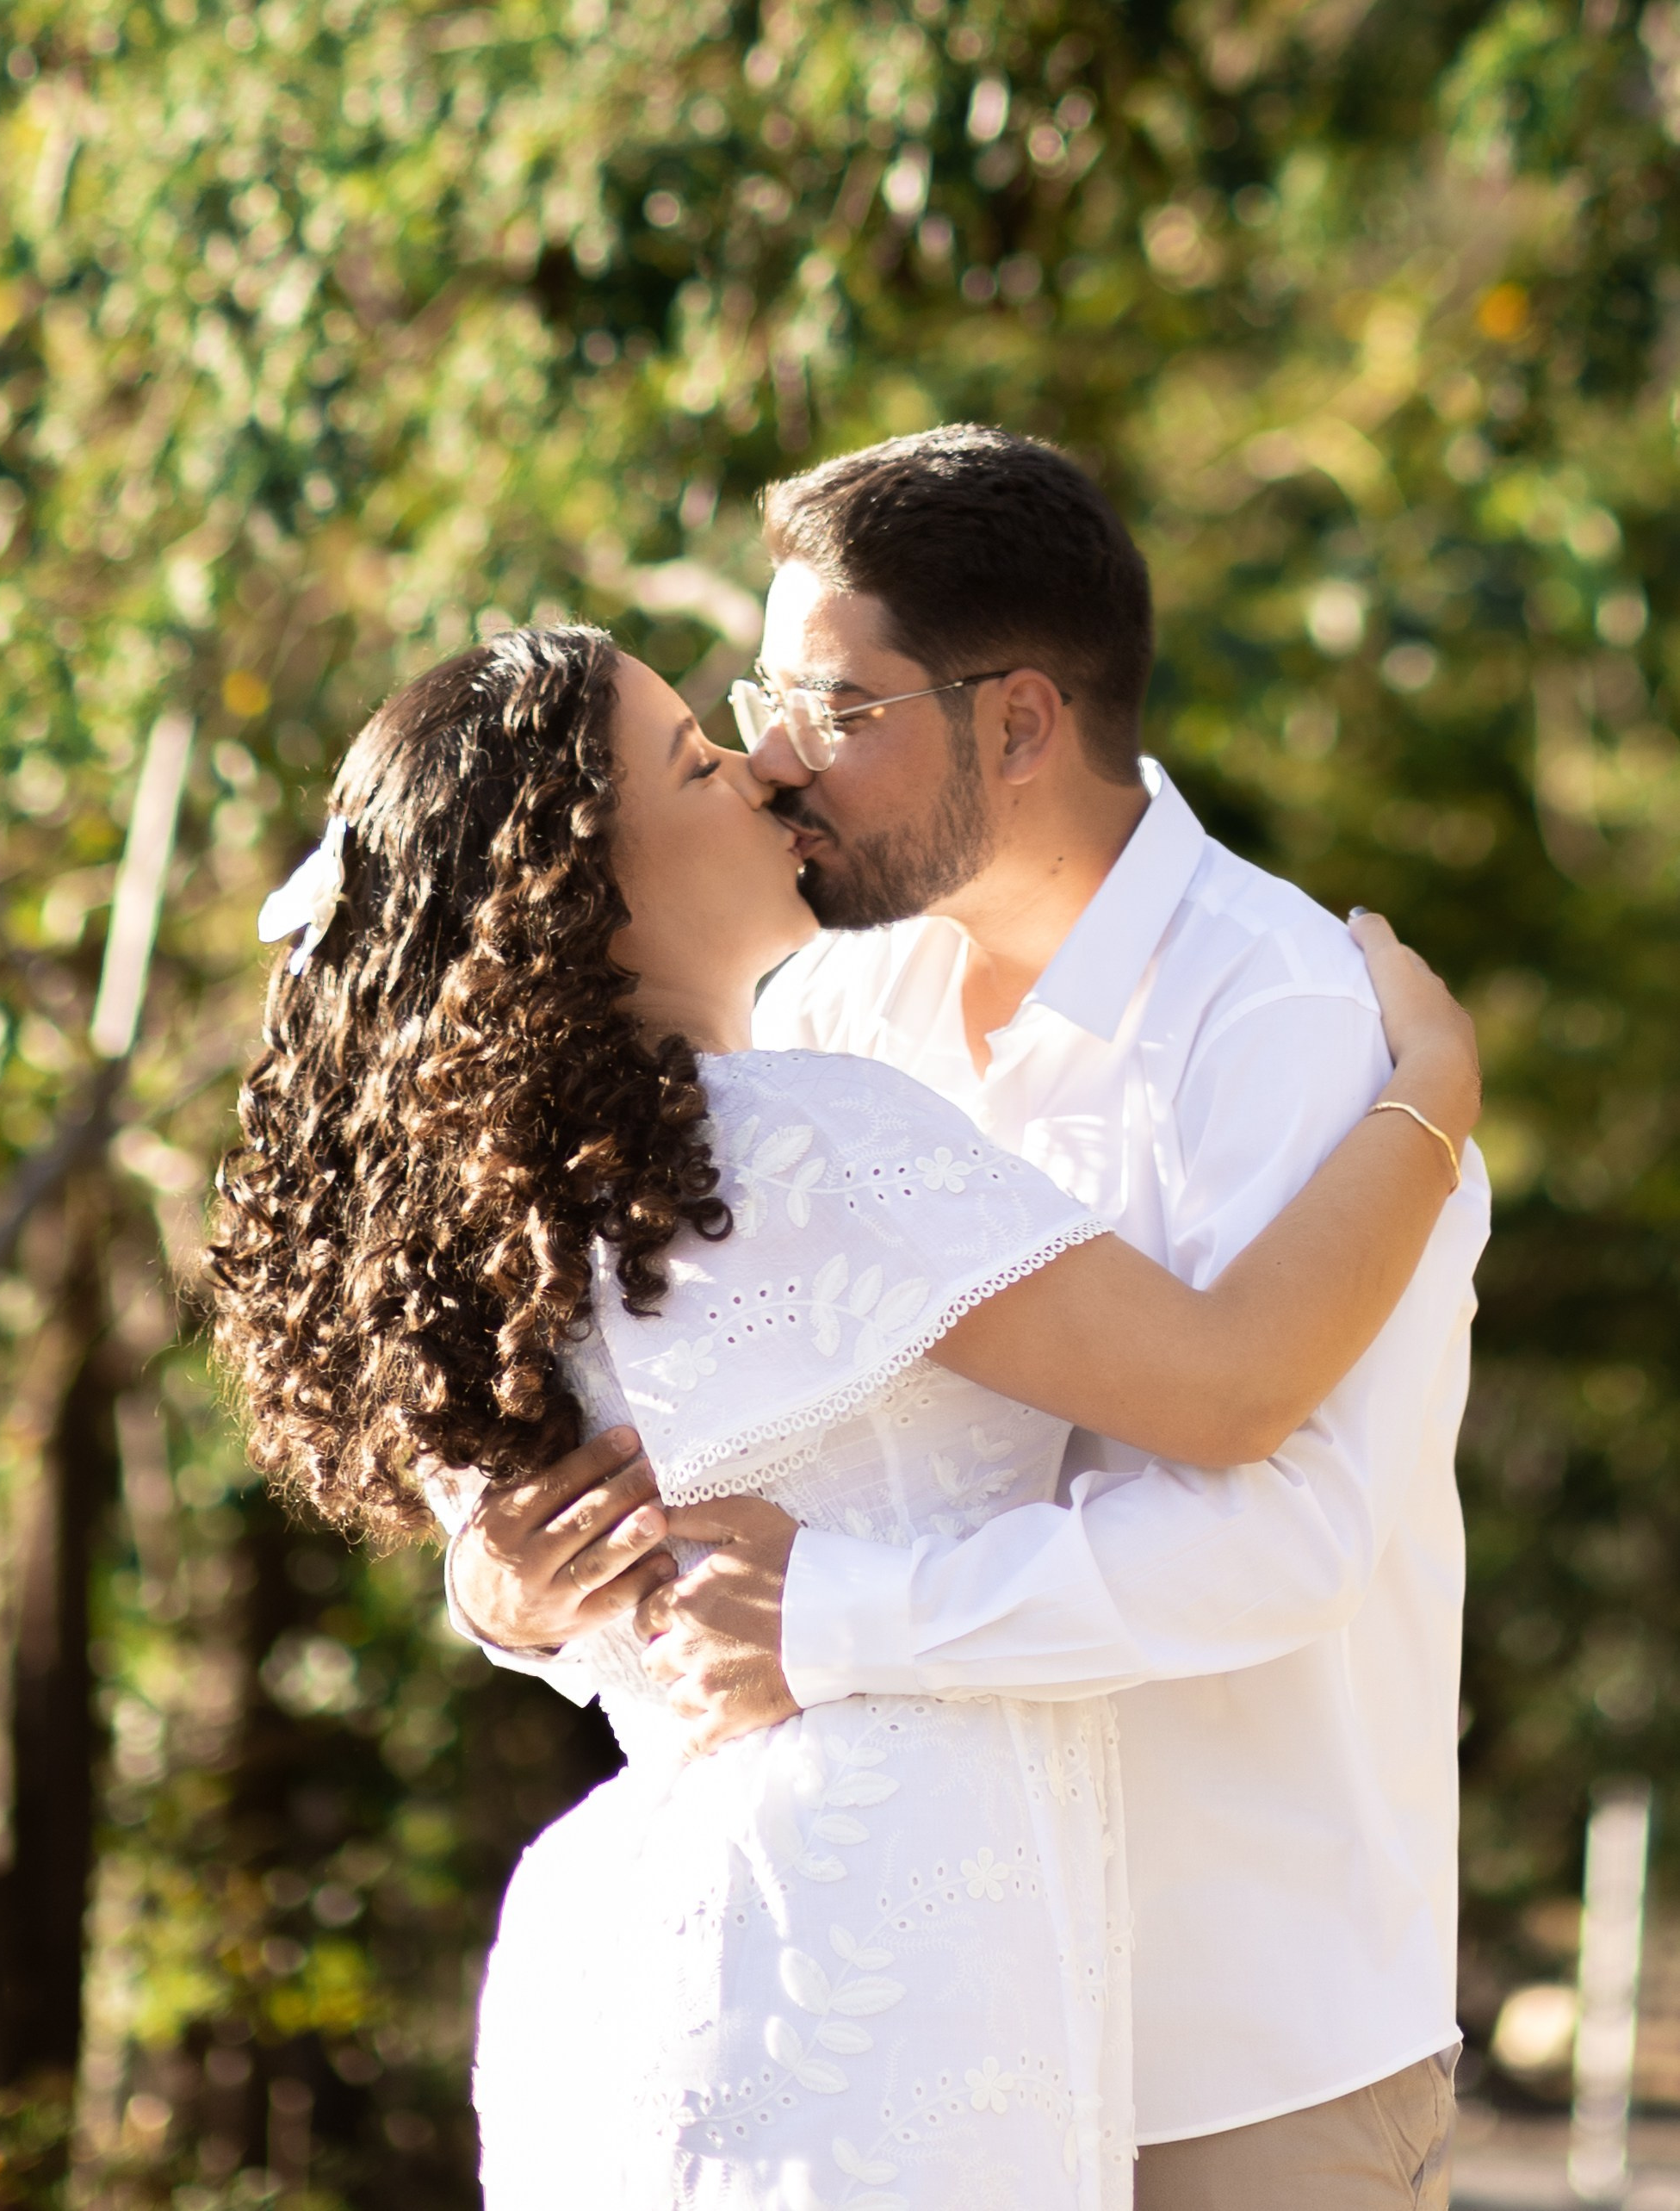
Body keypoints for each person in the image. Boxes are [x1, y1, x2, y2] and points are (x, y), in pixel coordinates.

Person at [208, 613, 1481, 2211]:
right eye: (695, 758)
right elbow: (1228, 1386)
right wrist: (1429, 1093)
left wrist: (501, 1593)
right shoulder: (802, 1129)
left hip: (677, 1934)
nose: (759, 772)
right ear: (586, 874)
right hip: (886, 1935)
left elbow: (562, 1548)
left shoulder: (506, 1197)